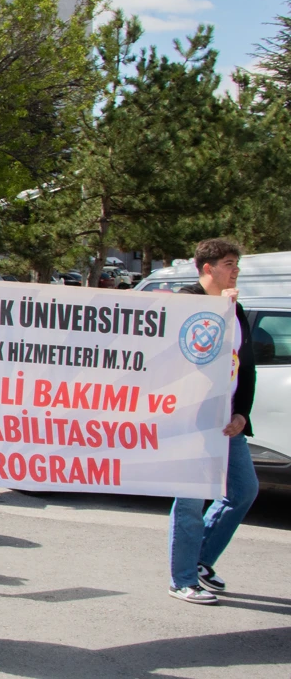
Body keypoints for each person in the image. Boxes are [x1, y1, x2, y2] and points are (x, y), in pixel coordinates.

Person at [169, 238, 259, 605]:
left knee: (244, 490)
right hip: (191, 421)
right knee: (190, 501)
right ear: (206, 268)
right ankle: (183, 578)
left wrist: (241, 413)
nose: (235, 269)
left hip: (227, 421)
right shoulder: (182, 302)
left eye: (236, 263)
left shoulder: (234, 309)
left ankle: (201, 559)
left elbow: (245, 367)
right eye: (228, 263)